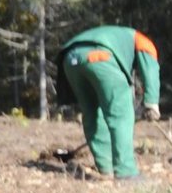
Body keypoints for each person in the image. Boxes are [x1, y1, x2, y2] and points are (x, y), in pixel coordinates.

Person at [59, 24, 160, 179]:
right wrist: (152, 103)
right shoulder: (143, 41)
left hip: (69, 58)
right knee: (121, 114)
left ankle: (105, 167)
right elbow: (150, 70)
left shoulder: (119, 36)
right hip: (100, 56)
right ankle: (126, 172)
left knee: (92, 112)